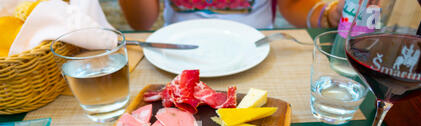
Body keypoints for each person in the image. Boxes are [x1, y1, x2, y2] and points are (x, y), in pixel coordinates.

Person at [118, 0, 344, 30]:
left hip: (258, 47)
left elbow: (291, 6)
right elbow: (141, 22)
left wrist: (328, 15)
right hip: (178, 50)